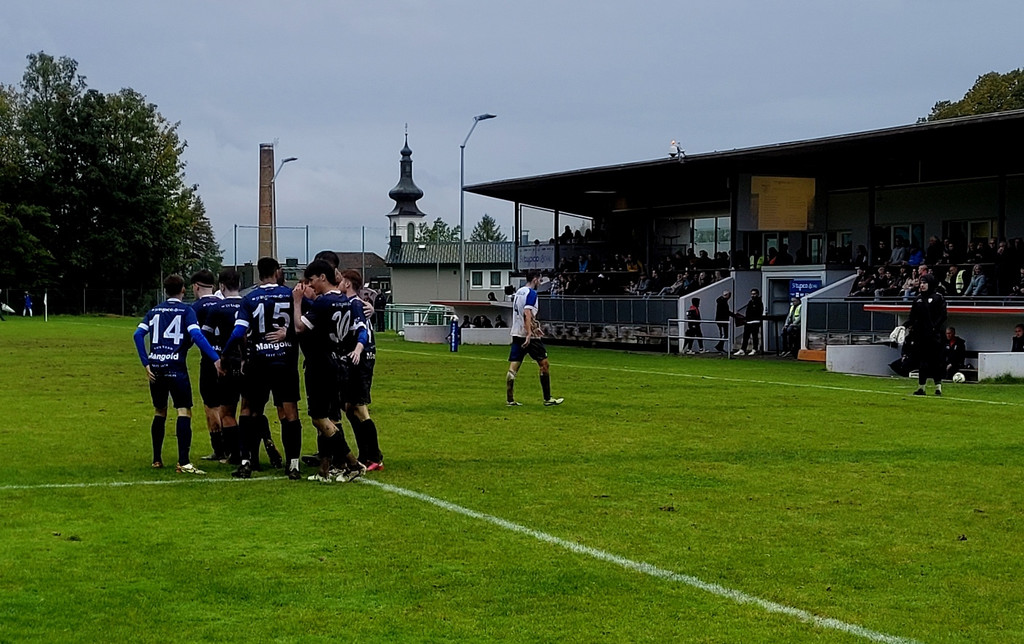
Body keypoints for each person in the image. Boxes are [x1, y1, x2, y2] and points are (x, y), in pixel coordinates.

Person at [222, 257, 304, 479]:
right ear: (277, 272)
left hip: (258, 363)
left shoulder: (249, 299)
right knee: (290, 412)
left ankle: (246, 462)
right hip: (284, 362)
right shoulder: (290, 295)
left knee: (249, 409)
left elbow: (239, 332)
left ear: (259, 274)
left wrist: (225, 354)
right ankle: (293, 465)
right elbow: (304, 323)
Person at [132, 274, 222, 474]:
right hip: (175, 367)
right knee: (183, 410)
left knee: (160, 411)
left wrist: (145, 362)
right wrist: (215, 358)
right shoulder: (186, 311)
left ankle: (157, 459)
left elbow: (138, 334)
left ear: (165, 291)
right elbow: (196, 335)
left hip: (155, 367)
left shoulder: (154, 311)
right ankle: (183, 461)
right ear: (183, 290)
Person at [292, 260, 367, 483]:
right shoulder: (345, 300)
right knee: (333, 417)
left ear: (322, 277)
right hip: (339, 361)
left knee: (318, 418)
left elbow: (299, 327)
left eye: (313, 279)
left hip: (321, 363)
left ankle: (352, 463)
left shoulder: (323, 303)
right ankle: (327, 469)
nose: (311, 284)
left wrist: (298, 302)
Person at [202, 268, 245, 465]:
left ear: (221, 286)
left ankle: (234, 455)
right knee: (249, 409)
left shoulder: (217, 308)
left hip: (228, 363)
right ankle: (250, 453)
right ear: (240, 285)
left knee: (227, 412)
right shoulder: (249, 304)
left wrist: (217, 358)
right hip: (249, 363)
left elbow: (205, 337)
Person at [190, 270, 233, 463]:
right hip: (229, 358)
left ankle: (219, 448)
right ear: (214, 287)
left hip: (210, 361)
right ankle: (232, 446)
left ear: (196, 286)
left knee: (210, 405)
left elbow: (194, 336)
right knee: (228, 405)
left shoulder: (195, 307)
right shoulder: (225, 304)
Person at [506, 271, 563, 407]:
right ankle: (547, 399)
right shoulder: (532, 293)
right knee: (544, 365)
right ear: (535, 279)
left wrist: (534, 326)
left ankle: (510, 400)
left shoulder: (519, 292)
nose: (541, 283)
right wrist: (530, 333)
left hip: (516, 333)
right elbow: (527, 313)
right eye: (540, 280)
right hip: (529, 337)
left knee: (513, 368)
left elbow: (522, 314)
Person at [905, 273, 947, 396]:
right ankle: (921, 388)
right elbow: (912, 317)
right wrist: (904, 326)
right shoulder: (917, 299)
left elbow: (943, 315)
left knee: (935, 362)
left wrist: (934, 327)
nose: (922, 285)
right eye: (921, 283)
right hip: (920, 336)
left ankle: (938, 387)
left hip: (934, 337)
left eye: (925, 283)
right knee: (922, 363)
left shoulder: (938, 298)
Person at [734, 288, 764, 356]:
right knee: (746, 336)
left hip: (755, 321)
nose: (752, 295)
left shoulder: (759, 302)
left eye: (754, 294)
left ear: (757, 294)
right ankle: (743, 349)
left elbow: (758, 312)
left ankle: (754, 349)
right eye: (752, 294)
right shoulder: (751, 302)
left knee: (754, 336)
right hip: (748, 321)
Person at [713, 290, 731, 355]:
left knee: (723, 334)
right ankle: (719, 346)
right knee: (724, 334)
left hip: (720, 320)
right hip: (723, 320)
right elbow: (726, 311)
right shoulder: (723, 302)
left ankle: (720, 346)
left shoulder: (720, 301)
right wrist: (734, 315)